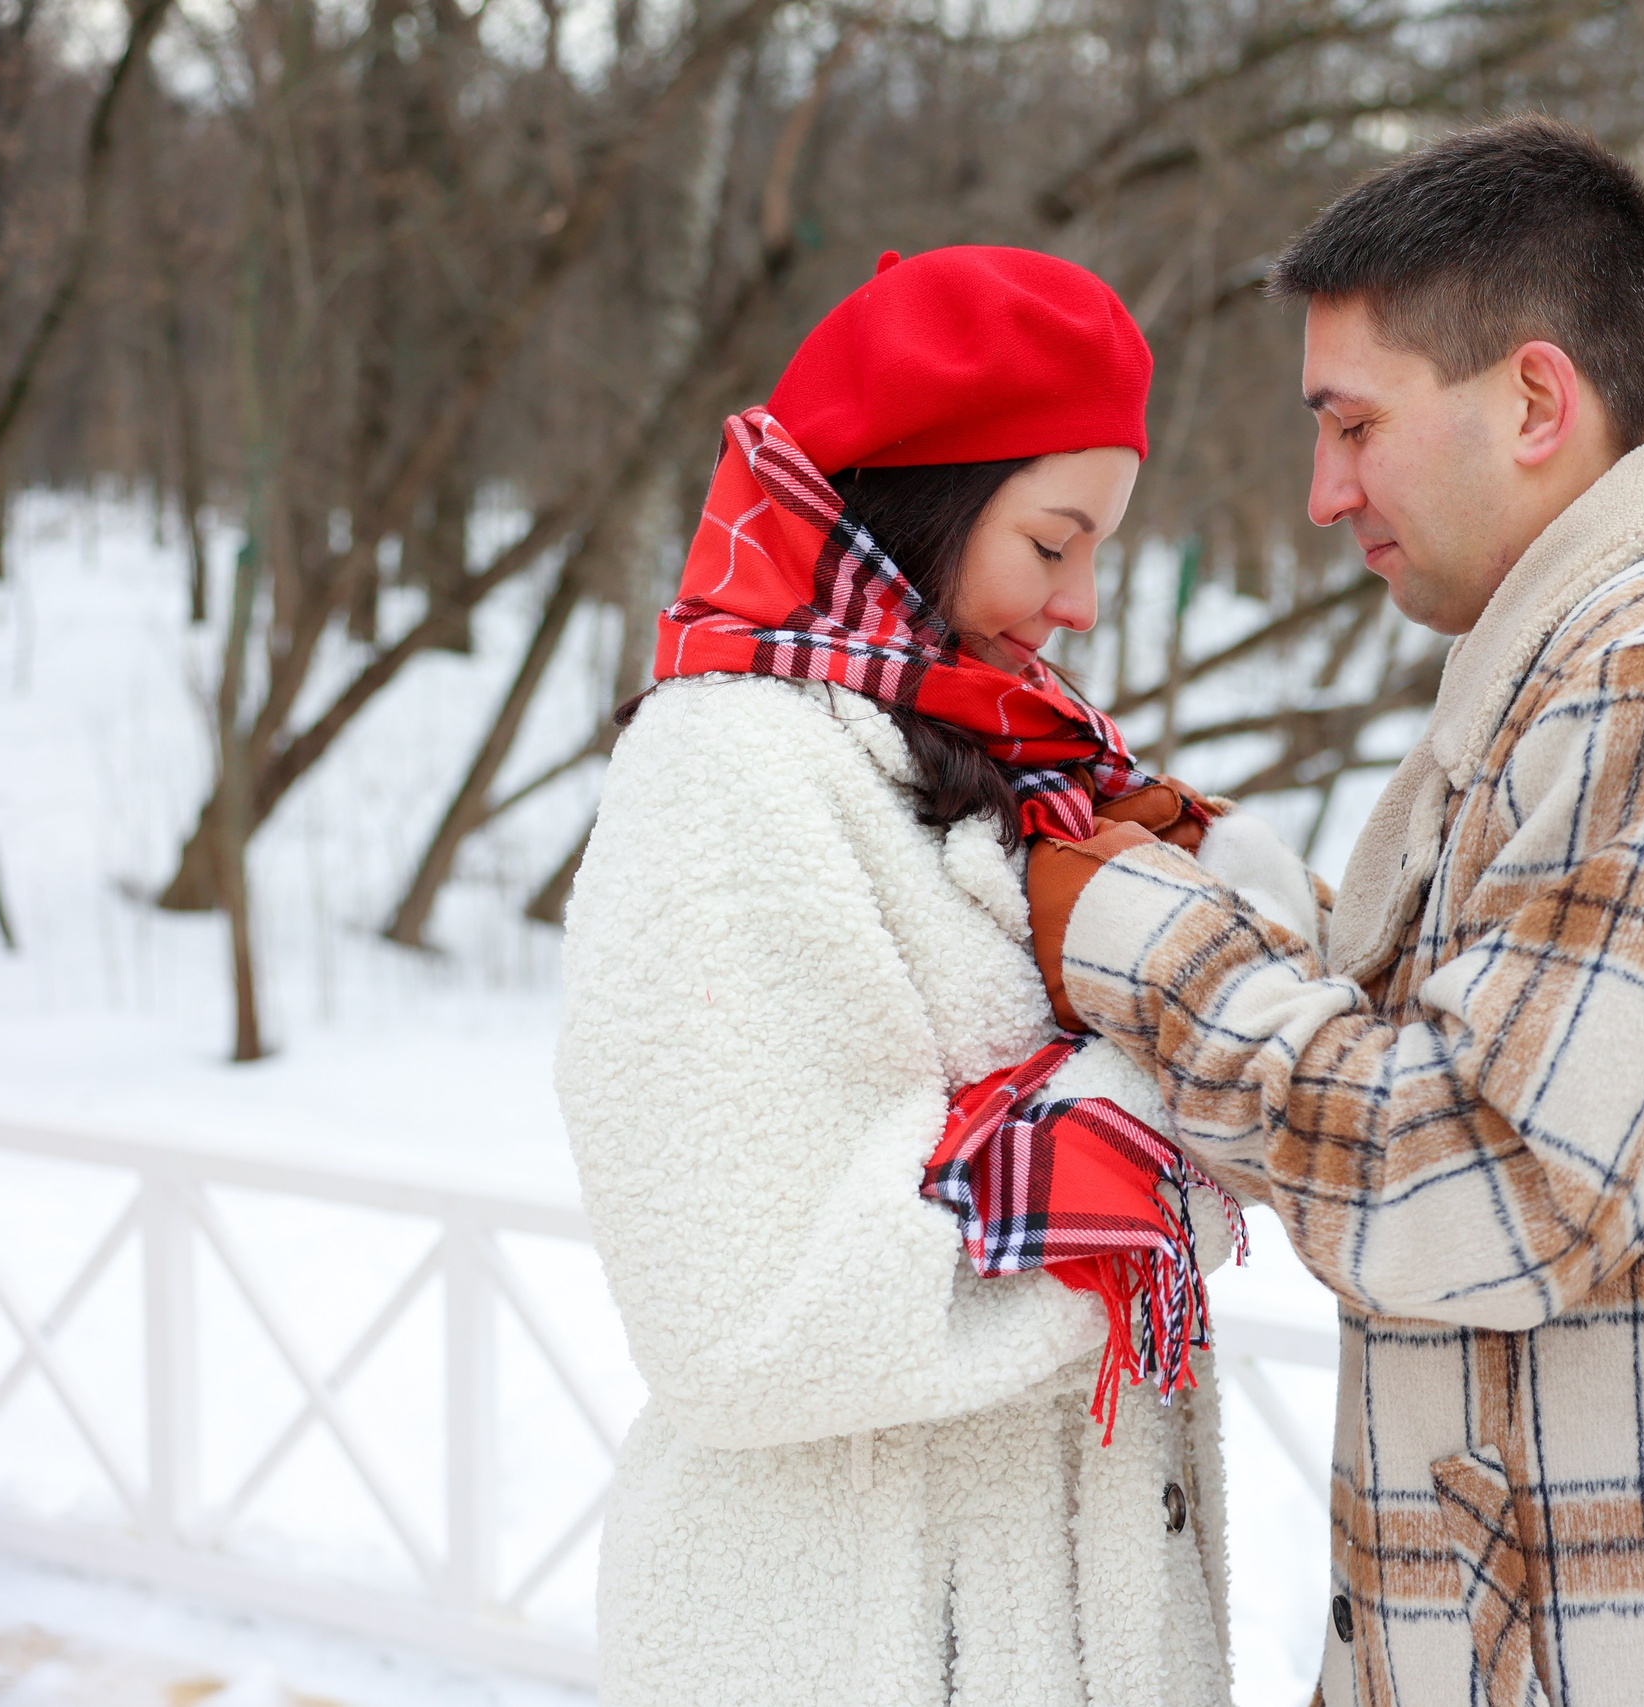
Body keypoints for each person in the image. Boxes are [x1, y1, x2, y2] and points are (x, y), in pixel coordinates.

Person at [1026, 119, 1644, 1706]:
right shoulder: (1609, 653)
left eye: (1355, 425)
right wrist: (1232, 886)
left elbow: (1475, 1187)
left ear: (1538, 402)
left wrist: (1147, 943)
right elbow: (1492, 1028)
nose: (1325, 492)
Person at [555, 246, 1270, 1707]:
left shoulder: (1017, 748)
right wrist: (1183, 1093)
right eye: (1054, 544)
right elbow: (737, 1312)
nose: (1082, 603)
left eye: (1101, 550)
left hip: (1062, 1618)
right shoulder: (728, 767)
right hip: (862, 1633)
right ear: (930, 503)